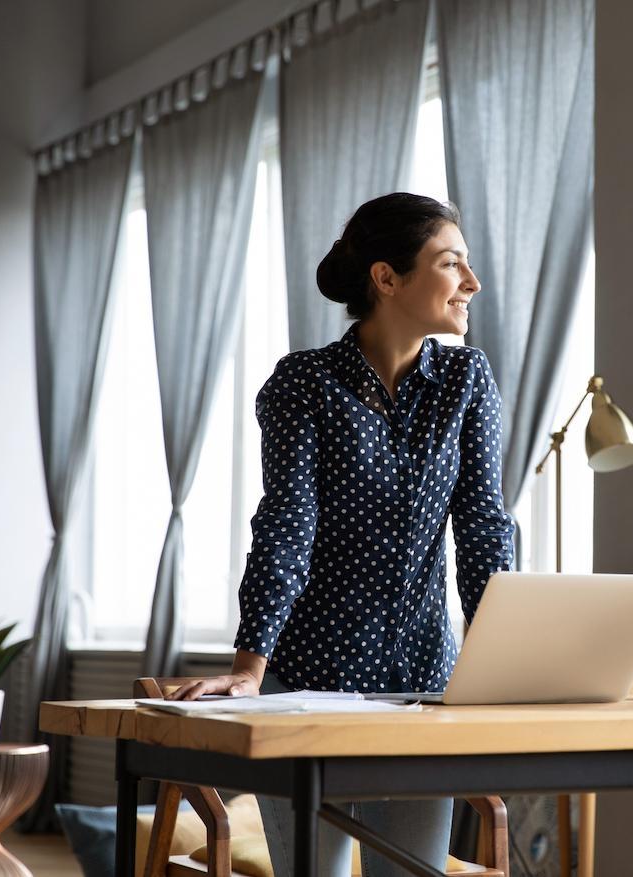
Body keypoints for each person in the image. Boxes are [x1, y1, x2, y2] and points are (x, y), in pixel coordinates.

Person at [167, 192, 517, 876]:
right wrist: (249, 668)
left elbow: (483, 531)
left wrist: (503, 661)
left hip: (421, 689)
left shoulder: (467, 382)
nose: (472, 282)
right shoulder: (305, 383)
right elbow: (286, 526)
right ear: (387, 278)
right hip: (307, 690)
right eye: (452, 264)